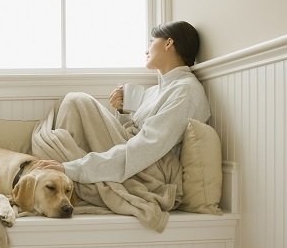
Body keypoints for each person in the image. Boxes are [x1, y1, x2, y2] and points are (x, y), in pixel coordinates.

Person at [34, 20, 211, 185]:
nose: (147, 50)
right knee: (72, 102)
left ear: (168, 43)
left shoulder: (185, 91)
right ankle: (62, 174)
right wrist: (123, 111)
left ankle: (65, 173)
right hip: (136, 153)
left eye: (152, 41)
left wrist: (74, 169)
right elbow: (129, 133)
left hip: (152, 167)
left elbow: (148, 146)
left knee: (77, 100)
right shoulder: (154, 91)